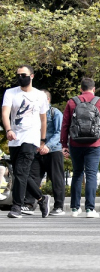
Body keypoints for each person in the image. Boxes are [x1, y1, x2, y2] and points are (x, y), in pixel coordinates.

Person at [1, 65, 50, 218]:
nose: (21, 77)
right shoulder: (10, 93)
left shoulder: (39, 96)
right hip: (15, 138)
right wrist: (8, 130)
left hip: (31, 137)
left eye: (24, 75)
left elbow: (43, 120)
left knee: (21, 172)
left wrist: (42, 140)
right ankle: (42, 199)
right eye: (18, 75)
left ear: (32, 76)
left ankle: (16, 206)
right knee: (20, 173)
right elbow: (5, 113)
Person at [61, 77, 100, 218]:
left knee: (77, 173)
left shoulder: (72, 102)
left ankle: (75, 209)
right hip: (94, 144)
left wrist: (64, 145)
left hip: (75, 143)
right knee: (91, 174)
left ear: (80, 88)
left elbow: (65, 125)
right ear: (94, 89)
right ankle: (90, 209)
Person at [23, 89, 65, 216]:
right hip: (36, 150)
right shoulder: (33, 114)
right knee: (32, 177)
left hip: (53, 151)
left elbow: (60, 133)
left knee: (57, 179)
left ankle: (58, 206)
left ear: (47, 100)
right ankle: (29, 204)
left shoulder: (55, 113)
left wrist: (47, 145)